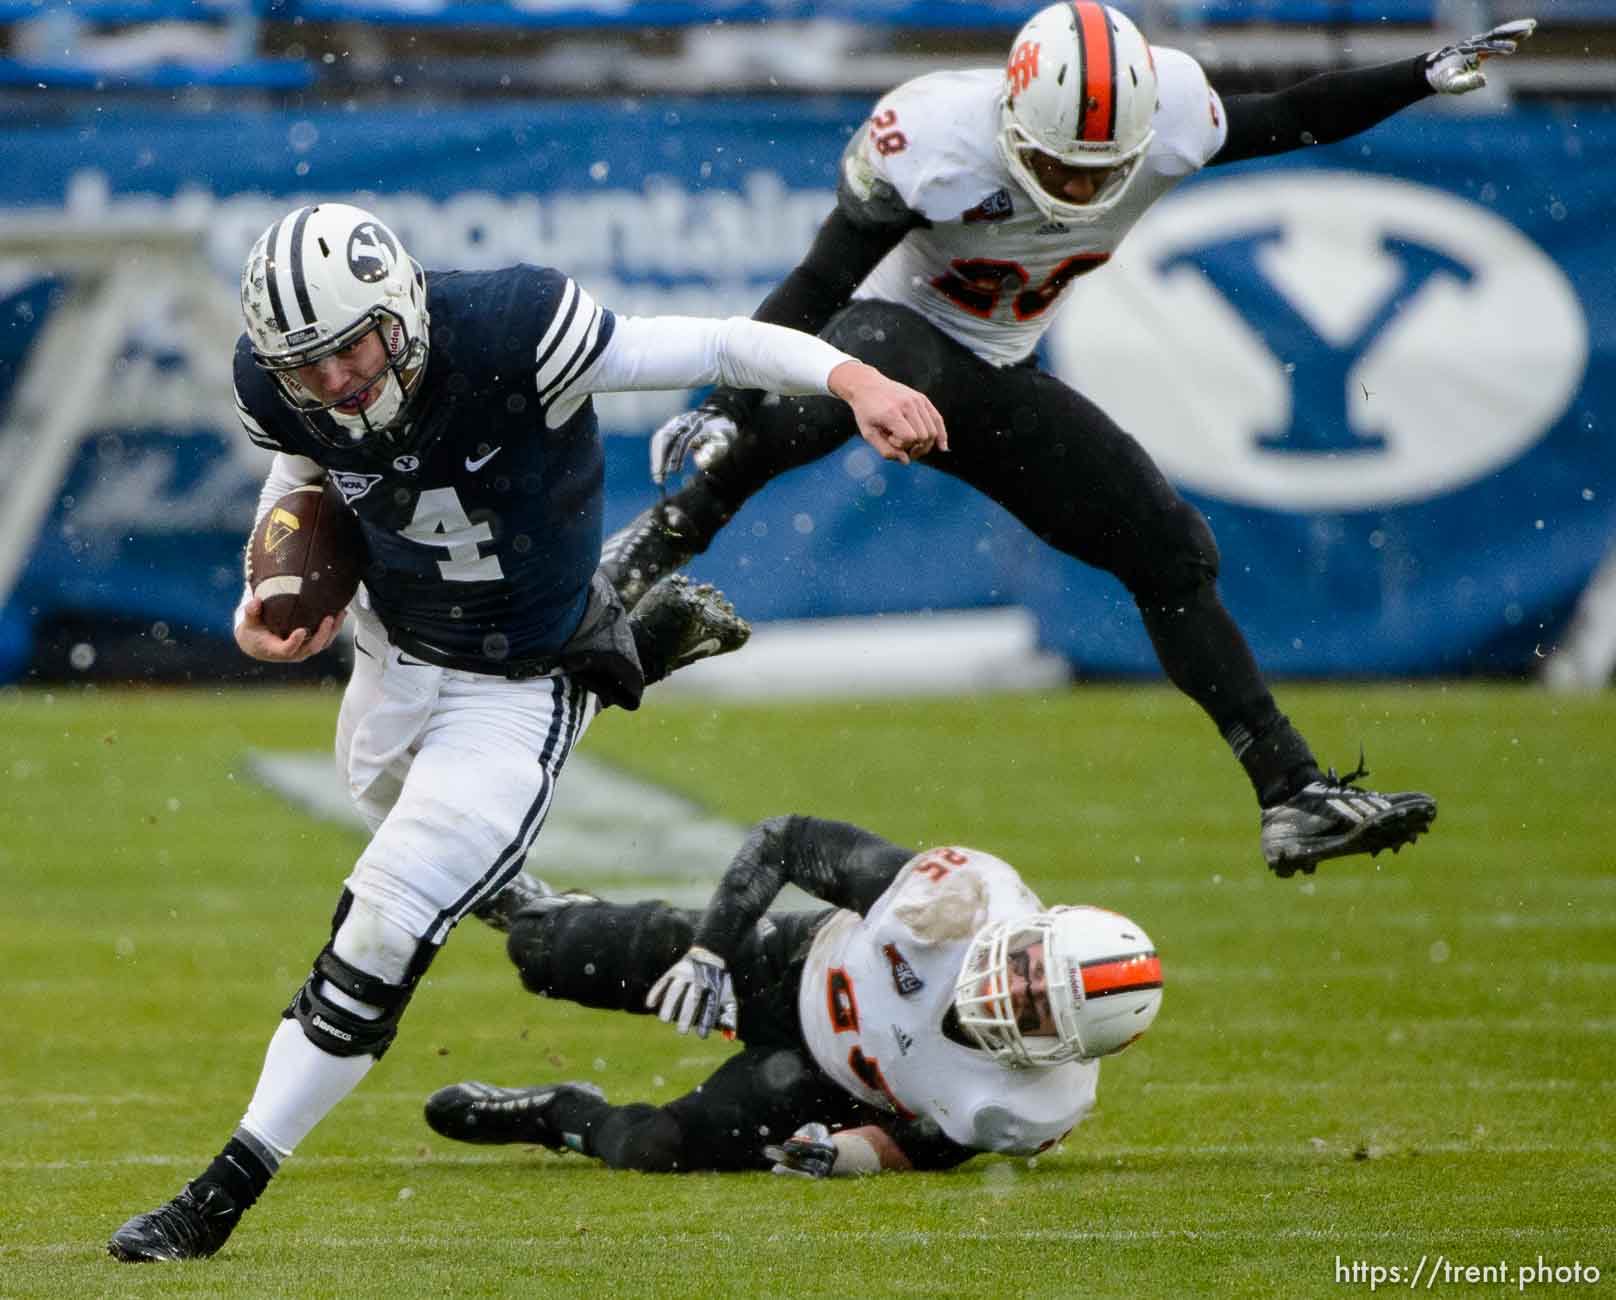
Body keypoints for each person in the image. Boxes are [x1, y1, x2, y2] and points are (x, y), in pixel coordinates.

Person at [107, 202, 947, 1262]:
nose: (332, 381)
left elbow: (714, 341)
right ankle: (615, 675)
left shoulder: (515, 330)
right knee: (380, 798)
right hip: (393, 650)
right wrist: (266, 588)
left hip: (515, 676)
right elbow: (298, 472)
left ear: (400, 308)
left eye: (350, 349)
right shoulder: (278, 383)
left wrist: (851, 379)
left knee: (382, 924)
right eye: (306, 364)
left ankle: (217, 1196)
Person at [603, 5, 1540, 876]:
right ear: (1011, 123)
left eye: (1104, 170)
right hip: (884, 345)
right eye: (1059, 167)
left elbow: (1294, 114)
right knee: (875, 346)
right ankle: (669, 532)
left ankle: (1291, 791)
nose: (1082, 189)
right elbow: (821, 282)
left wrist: (1416, 74)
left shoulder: (1171, 112)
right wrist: (729, 399)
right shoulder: (931, 140)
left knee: (1174, 553)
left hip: (999, 373)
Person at [422, 815, 1163, 1175]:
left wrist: (847, 1156)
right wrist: (710, 954)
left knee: (653, 1147)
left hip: (827, 1089)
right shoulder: (958, 902)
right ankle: (542, 910)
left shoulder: (1034, 1105)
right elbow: (785, 840)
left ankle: (556, 1113)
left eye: (1036, 1010)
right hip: (789, 963)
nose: (1010, 992)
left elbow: (937, 1138)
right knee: (545, 952)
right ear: (1035, 926)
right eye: (1027, 966)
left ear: (1064, 1047)